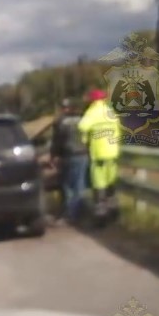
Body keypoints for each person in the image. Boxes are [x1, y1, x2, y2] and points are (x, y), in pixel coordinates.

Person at [78, 89, 122, 226]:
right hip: (112, 153)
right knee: (111, 182)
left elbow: (82, 126)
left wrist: (86, 139)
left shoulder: (92, 112)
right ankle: (114, 211)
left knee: (99, 183)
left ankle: (101, 216)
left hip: (98, 154)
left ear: (93, 100)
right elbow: (118, 130)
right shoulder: (110, 112)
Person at [48, 97, 89, 224]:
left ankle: (69, 215)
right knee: (80, 184)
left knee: (67, 185)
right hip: (83, 154)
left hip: (68, 155)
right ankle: (79, 213)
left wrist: (53, 156)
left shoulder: (60, 122)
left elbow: (57, 141)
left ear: (63, 108)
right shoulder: (83, 119)